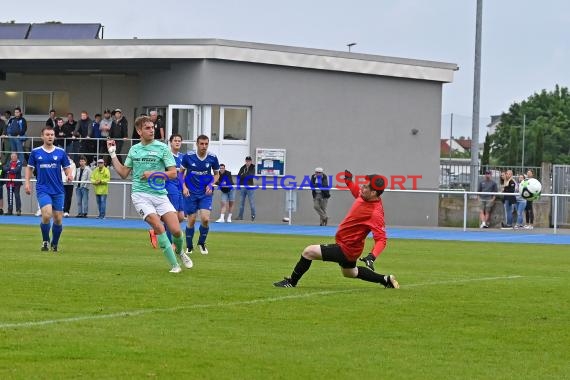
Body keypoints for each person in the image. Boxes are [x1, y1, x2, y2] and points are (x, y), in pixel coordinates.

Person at [274, 171, 398, 288]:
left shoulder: (375, 213)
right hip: (350, 247)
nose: (361, 188)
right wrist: (349, 182)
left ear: (373, 193)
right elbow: (356, 192)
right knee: (350, 273)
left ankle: (291, 282)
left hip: (347, 248)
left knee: (309, 252)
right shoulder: (365, 196)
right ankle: (386, 279)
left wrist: (372, 256)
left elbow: (381, 239)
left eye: (365, 187)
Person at [107, 115, 190, 273]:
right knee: (158, 226)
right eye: (147, 128)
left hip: (160, 195)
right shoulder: (134, 149)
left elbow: (173, 173)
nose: (152, 130)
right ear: (139, 131)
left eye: (152, 127)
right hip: (140, 195)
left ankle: (180, 251)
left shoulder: (162, 148)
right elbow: (124, 173)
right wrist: (112, 154)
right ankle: (174, 266)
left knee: (177, 230)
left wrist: (153, 174)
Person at [25, 126, 73, 252]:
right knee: (46, 215)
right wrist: (27, 183)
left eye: (52, 134)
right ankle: (45, 240)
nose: (50, 136)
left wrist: (69, 174)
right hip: (43, 189)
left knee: (58, 219)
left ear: (54, 136)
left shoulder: (60, 152)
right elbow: (29, 168)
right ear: (42, 136)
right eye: (47, 134)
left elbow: (67, 167)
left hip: (58, 190)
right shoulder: (35, 152)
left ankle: (54, 243)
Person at [181, 134, 220, 255]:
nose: (204, 146)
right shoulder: (188, 156)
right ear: (197, 144)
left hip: (205, 193)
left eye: (206, 144)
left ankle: (201, 243)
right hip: (190, 193)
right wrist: (184, 187)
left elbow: (217, 174)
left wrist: (210, 184)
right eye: (201, 144)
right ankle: (189, 246)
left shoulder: (213, 157)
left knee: (205, 219)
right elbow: (180, 174)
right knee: (191, 220)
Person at [150, 133, 186, 249]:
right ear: (170, 142)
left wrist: (185, 186)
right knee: (173, 216)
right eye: (175, 140)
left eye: (179, 140)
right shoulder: (166, 155)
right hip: (169, 185)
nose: (177, 142)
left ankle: (156, 231)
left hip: (179, 186)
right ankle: (171, 243)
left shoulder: (182, 157)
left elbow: (182, 174)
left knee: (180, 216)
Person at [236, 156, 256, 221]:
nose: (248, 162)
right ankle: (240, 216)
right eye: (247, 161)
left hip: (250, 187)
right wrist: (244, 175)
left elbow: (251, 176)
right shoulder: (242, 167)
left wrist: (243, 175)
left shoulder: (253, 167)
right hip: (242, 187)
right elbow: (239, 176)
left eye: (249, 161)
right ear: (245, 161)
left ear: (251, 161)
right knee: (241, 203)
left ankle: (253, 217)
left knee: (252, 203)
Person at [62, 153, 76, 217]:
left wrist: (70, 178)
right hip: (61, 183)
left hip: (69, 183)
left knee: (68, 197)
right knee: (60, 197)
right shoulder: (60, 163)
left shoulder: (73, 164)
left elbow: (73, 173)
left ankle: (66, 211)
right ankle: (59, 210)